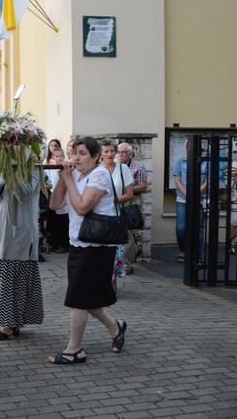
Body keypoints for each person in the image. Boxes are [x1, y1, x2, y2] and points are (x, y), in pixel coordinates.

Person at [48, 137, 127, 365]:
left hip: (97, 246)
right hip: (78, 242)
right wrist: (64, 178)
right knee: (85, 297)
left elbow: (82, 207)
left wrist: (68, 180)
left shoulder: (100, 174)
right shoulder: (74, 174)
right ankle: (116, 327)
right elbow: (55, 205)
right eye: (75, 153)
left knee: (78, 298)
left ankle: (75, 350)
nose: (77, 158)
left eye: (83, 154)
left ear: (95, 156)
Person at [0, 166, 44, 341]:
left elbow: (23, 191)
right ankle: (13, 321)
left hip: (19, 231)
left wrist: (12, 169)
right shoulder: (2, 167)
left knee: (13, 278)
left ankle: (9, 324)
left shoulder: (34, 168)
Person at [100, 139, 134, 293]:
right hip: (99, 217)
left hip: (117, 217)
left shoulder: (123, 169)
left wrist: (113, 201)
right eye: (106, 151)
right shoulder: (96, 170)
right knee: (99, 250)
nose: (109, 154)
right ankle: (101, 280)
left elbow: (129, 193)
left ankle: (112, 279)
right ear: (100, 153)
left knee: (117, 251)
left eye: (112, 151)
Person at [173, 139, 208, 263]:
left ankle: (197, 257)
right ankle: (183, 250)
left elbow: (208, 181)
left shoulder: (206, 163)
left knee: (198, 230)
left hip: (200, 199)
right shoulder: (180, 162)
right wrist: (188, 194)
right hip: (183, 199)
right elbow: (177, 180)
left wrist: (196, 194)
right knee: (181, 228)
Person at [46, 147, 69, 253]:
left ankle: (63, 244)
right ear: (53, 157)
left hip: (65, 197)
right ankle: (54, 243)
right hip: (53, 196)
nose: (59, 158)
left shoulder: (67, 166)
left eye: (61, 156)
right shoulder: (50, 167)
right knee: (54, 223)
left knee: (63, 223)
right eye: (57, 156)